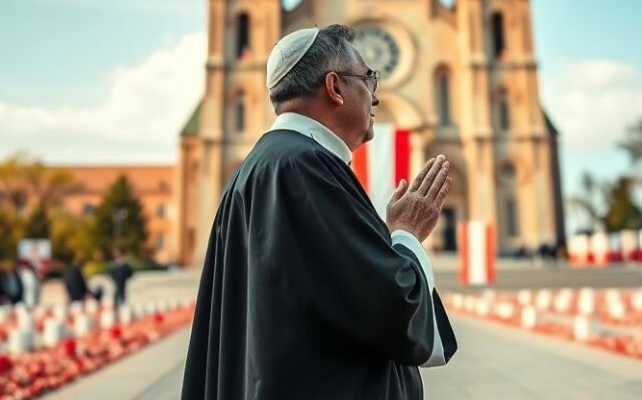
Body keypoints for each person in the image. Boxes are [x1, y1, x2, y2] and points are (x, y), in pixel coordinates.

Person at [182, 25, 457, 399]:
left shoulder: (273, 163)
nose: (376, 97)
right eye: (368, 79)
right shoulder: (304, 168)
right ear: (334, 88)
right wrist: (407, 233)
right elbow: (392, 312)